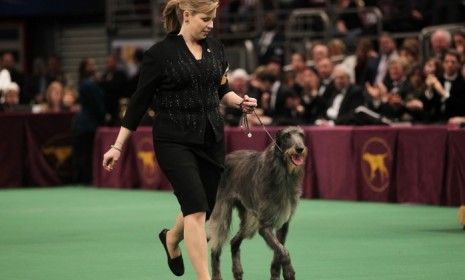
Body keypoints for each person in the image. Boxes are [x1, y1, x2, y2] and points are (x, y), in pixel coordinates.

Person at [101, 1, 257, 280]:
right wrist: (117, 145)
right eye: (205, 18)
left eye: (213, 19)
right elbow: (138, 103)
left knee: (202, 209)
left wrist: (241, 102)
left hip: (211, 138)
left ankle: (171, 238)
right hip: (173, 140)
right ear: (187, 15)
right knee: (196, 209)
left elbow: (222, 91)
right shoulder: (159, 55)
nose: (211, 24)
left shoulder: (217, 49)